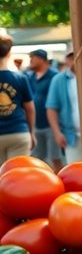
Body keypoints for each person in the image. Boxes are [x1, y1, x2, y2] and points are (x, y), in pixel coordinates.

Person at [0, 33, 35, 163]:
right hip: (18, 132)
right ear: (9, 53)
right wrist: (31, 133)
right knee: (18, 175)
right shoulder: (20, 78)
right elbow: (30, 109)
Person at [27, 49, 62, 170]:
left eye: (33, 57)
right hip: (36, 125)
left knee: (55, 157)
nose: (30, 61)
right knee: (37, 159)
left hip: (52, 125)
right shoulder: (30, 76)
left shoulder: (55, 76)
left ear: (42, 59)